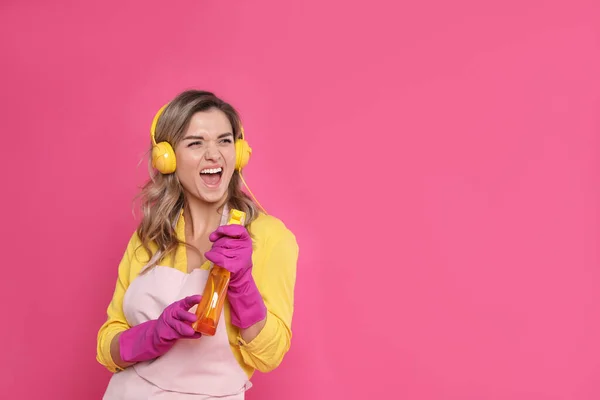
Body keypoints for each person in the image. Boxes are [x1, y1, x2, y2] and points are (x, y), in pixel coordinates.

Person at [96, 90, 299, 399]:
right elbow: (107, 346)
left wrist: (243, 286)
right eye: (195, 143)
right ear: (168, 158)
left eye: (224, 140)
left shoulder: (270, 237)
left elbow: (269, 356)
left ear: (239, 151)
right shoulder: (150, 235)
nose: (214, 154)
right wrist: (153, 334)